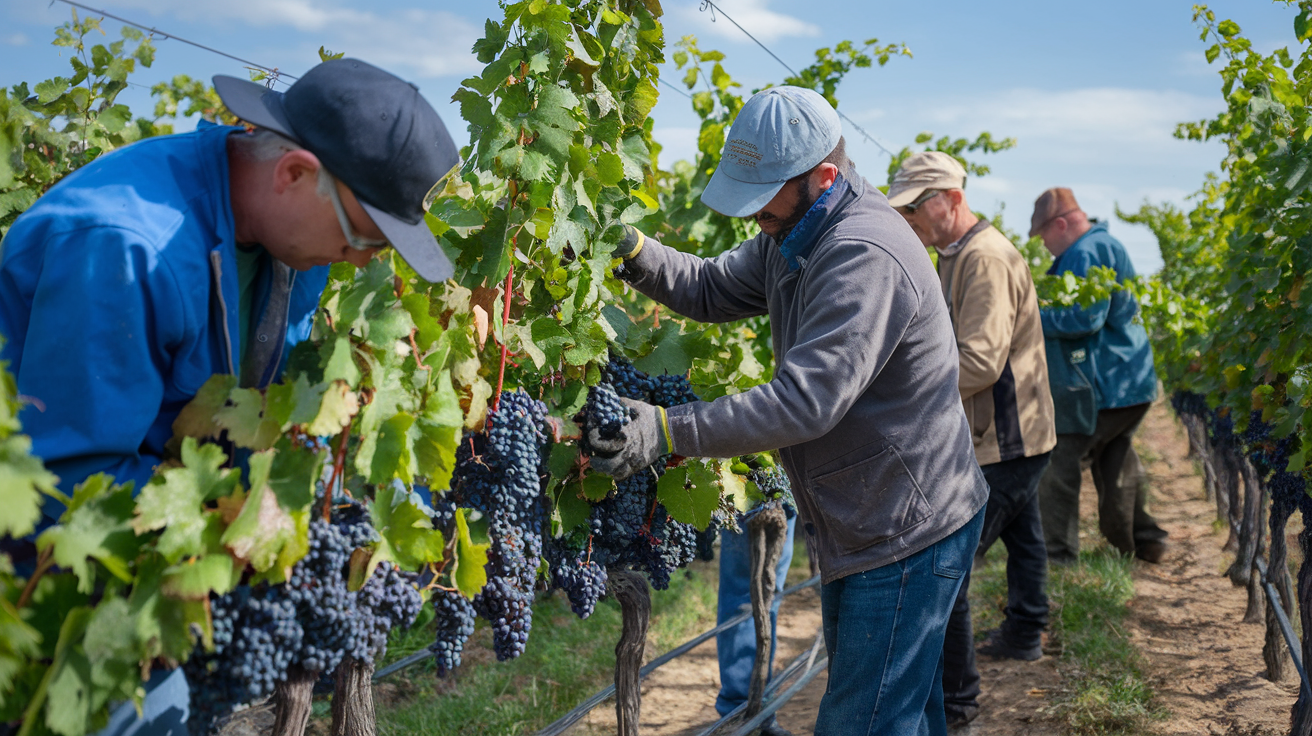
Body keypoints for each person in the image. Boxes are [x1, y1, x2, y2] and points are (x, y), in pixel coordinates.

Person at [0, 57, 459, 735]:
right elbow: (66, 491)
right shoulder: (126, 250)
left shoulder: (289, 244)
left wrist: (358, 503)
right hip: (39, 584)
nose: (364, 260)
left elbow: (265, 416)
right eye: (364, 235)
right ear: (295, 172)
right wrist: (273, 522)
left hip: (149, 565)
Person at [587, 86, 989, 735]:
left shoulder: (863, 253)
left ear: (822, 177)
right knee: (905, 715)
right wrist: (631, 250)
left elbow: (806, 402)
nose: (754, 217)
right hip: (872, 517)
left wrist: (665, 429)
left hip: (906, 531)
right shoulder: (794, 230)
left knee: (862, 723)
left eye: (761, 198)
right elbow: (712, 286)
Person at [889, 152, 1057, 728]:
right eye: (903, 207)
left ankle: (957, 703)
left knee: (947, 573)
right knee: (1025, 537)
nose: (908, 217)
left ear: (952, 200)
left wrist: (903, 389)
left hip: (1003, 438)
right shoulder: (953, 254)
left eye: (916, 206)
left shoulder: (982, 259)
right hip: (1016, 432)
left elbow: (980, 363)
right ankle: (1025, 630)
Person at [1029, 187, 1168, 564]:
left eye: (1044, 237)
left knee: (1059, 457)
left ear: (1061, 224)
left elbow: (1084, 318)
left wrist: (1028, 317)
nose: (1045, 248)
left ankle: (1057, 555)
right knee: (1115, 458)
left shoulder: (1087, 250)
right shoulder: (1102, 245)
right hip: (1127, 382)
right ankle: (1144, 540)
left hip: (1108, 385)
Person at [715, 516, 796, 736]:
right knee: (745, 596)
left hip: (786, 499)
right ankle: (739, 713)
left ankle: (761, 710)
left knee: (770, 594)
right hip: (747, 495)